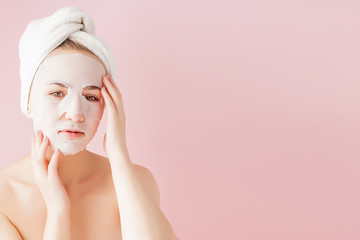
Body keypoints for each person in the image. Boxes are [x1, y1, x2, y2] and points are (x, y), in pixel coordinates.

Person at [0, 7, 178, 240]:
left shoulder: (135, 181)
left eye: (91, 97)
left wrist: (118, 152)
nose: (76, 113)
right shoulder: (4, 197)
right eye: (57, 93)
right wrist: (58, 211)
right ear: (28, 102)